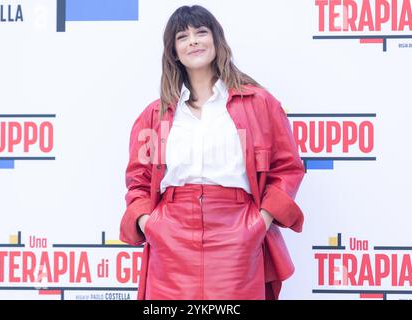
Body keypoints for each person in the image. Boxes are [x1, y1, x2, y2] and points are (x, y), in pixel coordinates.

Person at [119, 5, 305, 300]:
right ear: (173, 51)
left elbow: (287, 168)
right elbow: (138, 181)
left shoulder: (260, 103)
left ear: (216, 41)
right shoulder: (155, 115)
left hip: (238, 232)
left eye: (201, 32)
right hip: (171, 235)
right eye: (183, 36)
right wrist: (150, 224)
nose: (193, 40)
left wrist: (261, 222)